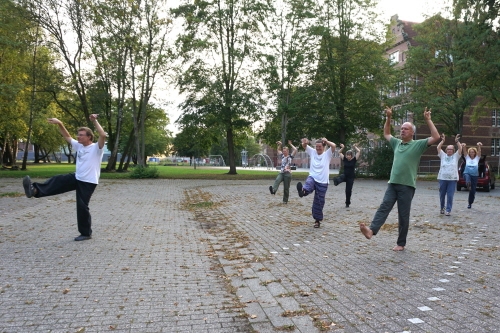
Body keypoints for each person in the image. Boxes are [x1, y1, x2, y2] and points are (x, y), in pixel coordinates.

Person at [360, 107, 440, 251]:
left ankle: (401, 243)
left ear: (412, 133)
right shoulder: (397, 143)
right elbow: (386, 133)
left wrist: (428, 120)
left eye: (406, 129)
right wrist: (389, 118)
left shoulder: (418, 145)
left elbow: (436, 137)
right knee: (384, 206)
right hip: (393, 184)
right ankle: (371, 231)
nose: (402, 131)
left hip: (407, 186)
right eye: (402, 128)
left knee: (403, 215)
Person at [22, 114, 106, 241]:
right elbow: (67, 136)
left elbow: (103, 135)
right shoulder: (79, 146)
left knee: (82, 206)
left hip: (88, 181)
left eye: (81, 135)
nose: (78, 137)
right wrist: (60, 123)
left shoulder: (96, 148)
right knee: (58, 180)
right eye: (78, 134)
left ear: (89, 137)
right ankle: (35, 190)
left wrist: (94, 121)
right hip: (77, 177)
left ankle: (86, 233)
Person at [296, 138, 336, 228]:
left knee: (319, 202)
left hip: (323, 182)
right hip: (313, 177)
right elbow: (304, 146)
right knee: (308, 184)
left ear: (323, 147)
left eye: (320, 147)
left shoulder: (327, 154)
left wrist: (327, 141)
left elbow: (333, 146)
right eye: (316, 146)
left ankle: (317, 221)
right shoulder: (313, 152)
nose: (318, 148)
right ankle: (303, 191)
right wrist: (305, 143)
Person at [436, 133, 462, 216]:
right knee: (442, 195)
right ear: (446, 150)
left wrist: (457, 141)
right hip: (442, 178)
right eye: (448, 149)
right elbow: (438, 148)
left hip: (452, 179)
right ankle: (442, 208)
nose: (449, 150)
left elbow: (460, 148)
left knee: (450, 196)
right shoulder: (443, 155)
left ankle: (448, 209)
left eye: (451, 149)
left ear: (453, 151)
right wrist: (442, 141)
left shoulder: (455, 156)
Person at [333, 143, 361, 208]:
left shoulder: (354, 160)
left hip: (351, 177)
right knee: (342, 176)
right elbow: (339, 152)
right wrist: (343, 147)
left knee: (348, 191)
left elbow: (359, 151)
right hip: (345, 175)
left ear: (351, 156)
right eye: (347, 155)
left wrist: (355, 147)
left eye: (349, 155)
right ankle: (336, 181)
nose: (348, 156)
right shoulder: (344, 159)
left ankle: (347, 203)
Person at [462, 141, 482, 209]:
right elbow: (464, 151)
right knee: (467, 176)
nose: (471, 153)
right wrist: (464, 146)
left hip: (475, 176)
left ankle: (470, 203)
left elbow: (479, 152)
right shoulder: (467, 157)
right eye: (470, 152)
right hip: (467, 173)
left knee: (472, 191)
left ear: (475, 153)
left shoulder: (477, 158)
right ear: (469, 153)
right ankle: (468, 183)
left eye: (473, 152)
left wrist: (479, 146)